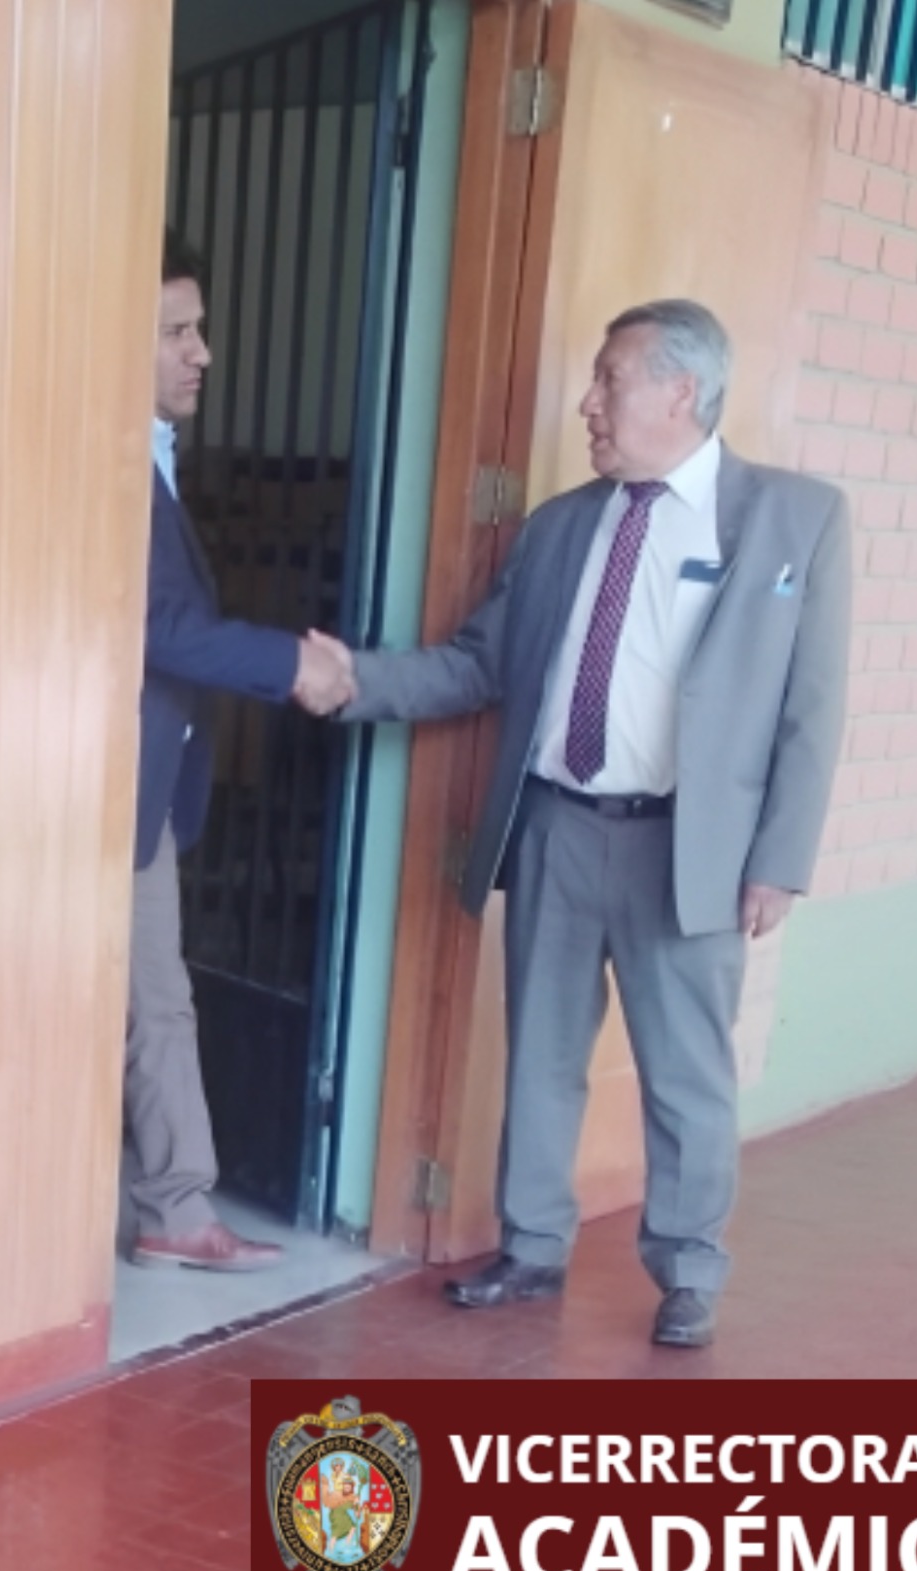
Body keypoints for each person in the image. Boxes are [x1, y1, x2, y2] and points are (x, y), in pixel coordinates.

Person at [310, 300, 850, 1344]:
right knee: (542, 1051)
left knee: (685, 1073)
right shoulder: (562, 526)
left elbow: (811, 707)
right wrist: (354, 681)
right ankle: (532, 1245)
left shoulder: (795, 518)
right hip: (557, 825)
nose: (588, 403)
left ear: (680, 391)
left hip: (686, 847)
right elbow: (478, 663)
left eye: (610, 380)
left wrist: (779, 859)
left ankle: (688, 1268)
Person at [125, 231, 354, 1272]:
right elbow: (160, 625)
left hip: (141, 787)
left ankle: (171, 1206)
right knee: (154, 999)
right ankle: (174, 1210)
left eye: (200, 328)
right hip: (104, 791)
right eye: (176, 331)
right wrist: (290, 663)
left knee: (153, 997)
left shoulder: (153, 454)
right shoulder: (109, 460)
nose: (202, 352)